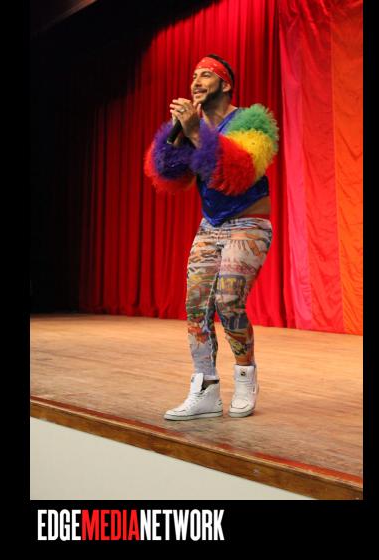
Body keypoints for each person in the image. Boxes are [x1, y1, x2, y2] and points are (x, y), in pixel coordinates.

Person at [143, 54, 279, 420]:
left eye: (206, 75)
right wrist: (175, 135)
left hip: (248, 223)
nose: (196, 82)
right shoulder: (193, 124)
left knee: (228, 300)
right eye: (193, 76)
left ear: (226, 84)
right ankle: (205, 389)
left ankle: (246, 376)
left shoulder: (251, 120)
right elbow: (167, 174)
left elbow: (237, 173)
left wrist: (194, 133)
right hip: (210, 226)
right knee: (196, 306)